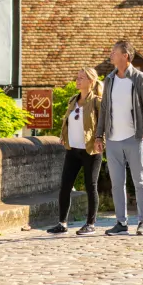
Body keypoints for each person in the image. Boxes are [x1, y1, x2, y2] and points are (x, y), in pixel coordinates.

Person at [93, 40, 143, 236]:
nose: (110, 55)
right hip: (112, 140)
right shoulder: (109, 80)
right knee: (117, 183)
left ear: (125, 56)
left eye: (114, 52)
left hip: (135, 138)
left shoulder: (140, 79)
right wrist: (99, 135)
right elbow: (104, 110)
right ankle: (121, 222)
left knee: (140, 181)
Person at [47, 68, 105, 236]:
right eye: (77, 78)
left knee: (90, 186)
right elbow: (67, 121)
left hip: (90, 150)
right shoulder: (73, 100)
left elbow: (104, 124)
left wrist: (102, 140)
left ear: (91, 82)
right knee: (65, 186)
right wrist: (63, 136)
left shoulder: (97, 102)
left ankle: (90, 224)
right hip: (72, 149)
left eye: (82, 78)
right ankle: (62, 223)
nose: (78, 80)